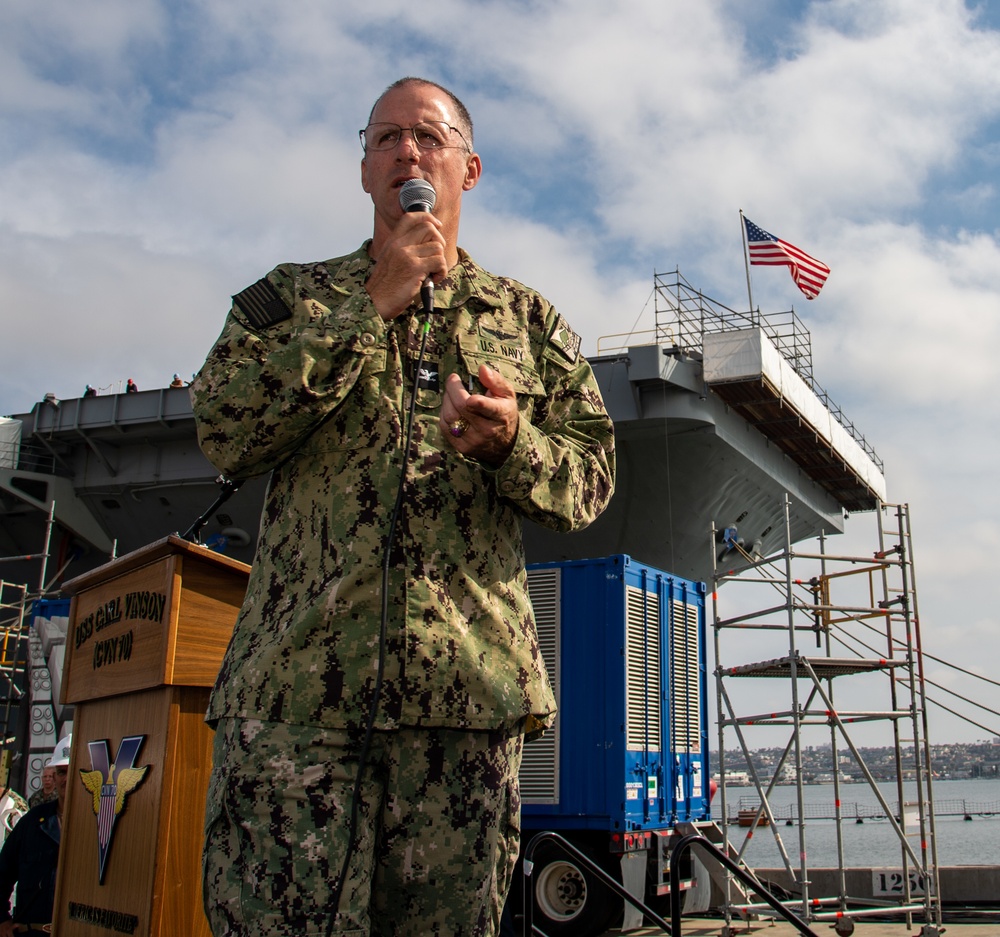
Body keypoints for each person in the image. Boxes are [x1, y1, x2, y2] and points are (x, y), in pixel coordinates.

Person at [192, 76, 615, 937]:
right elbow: (222, 426)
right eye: (385, 138)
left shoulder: (528, 320)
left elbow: (593, 477)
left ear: (470, 166)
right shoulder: (289, 300)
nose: (407, 153)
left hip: (463, 711)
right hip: (295, 712)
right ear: (363, 170)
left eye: (428, 135)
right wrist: (365, 306)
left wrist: (511, 446)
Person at [0, 736, 70, 936]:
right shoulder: (32, 822)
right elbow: (3, 873)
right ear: (54, 777)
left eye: (72, 771)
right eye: (61, 772)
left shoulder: (98, 825)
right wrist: (2, 920)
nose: (66, 778)